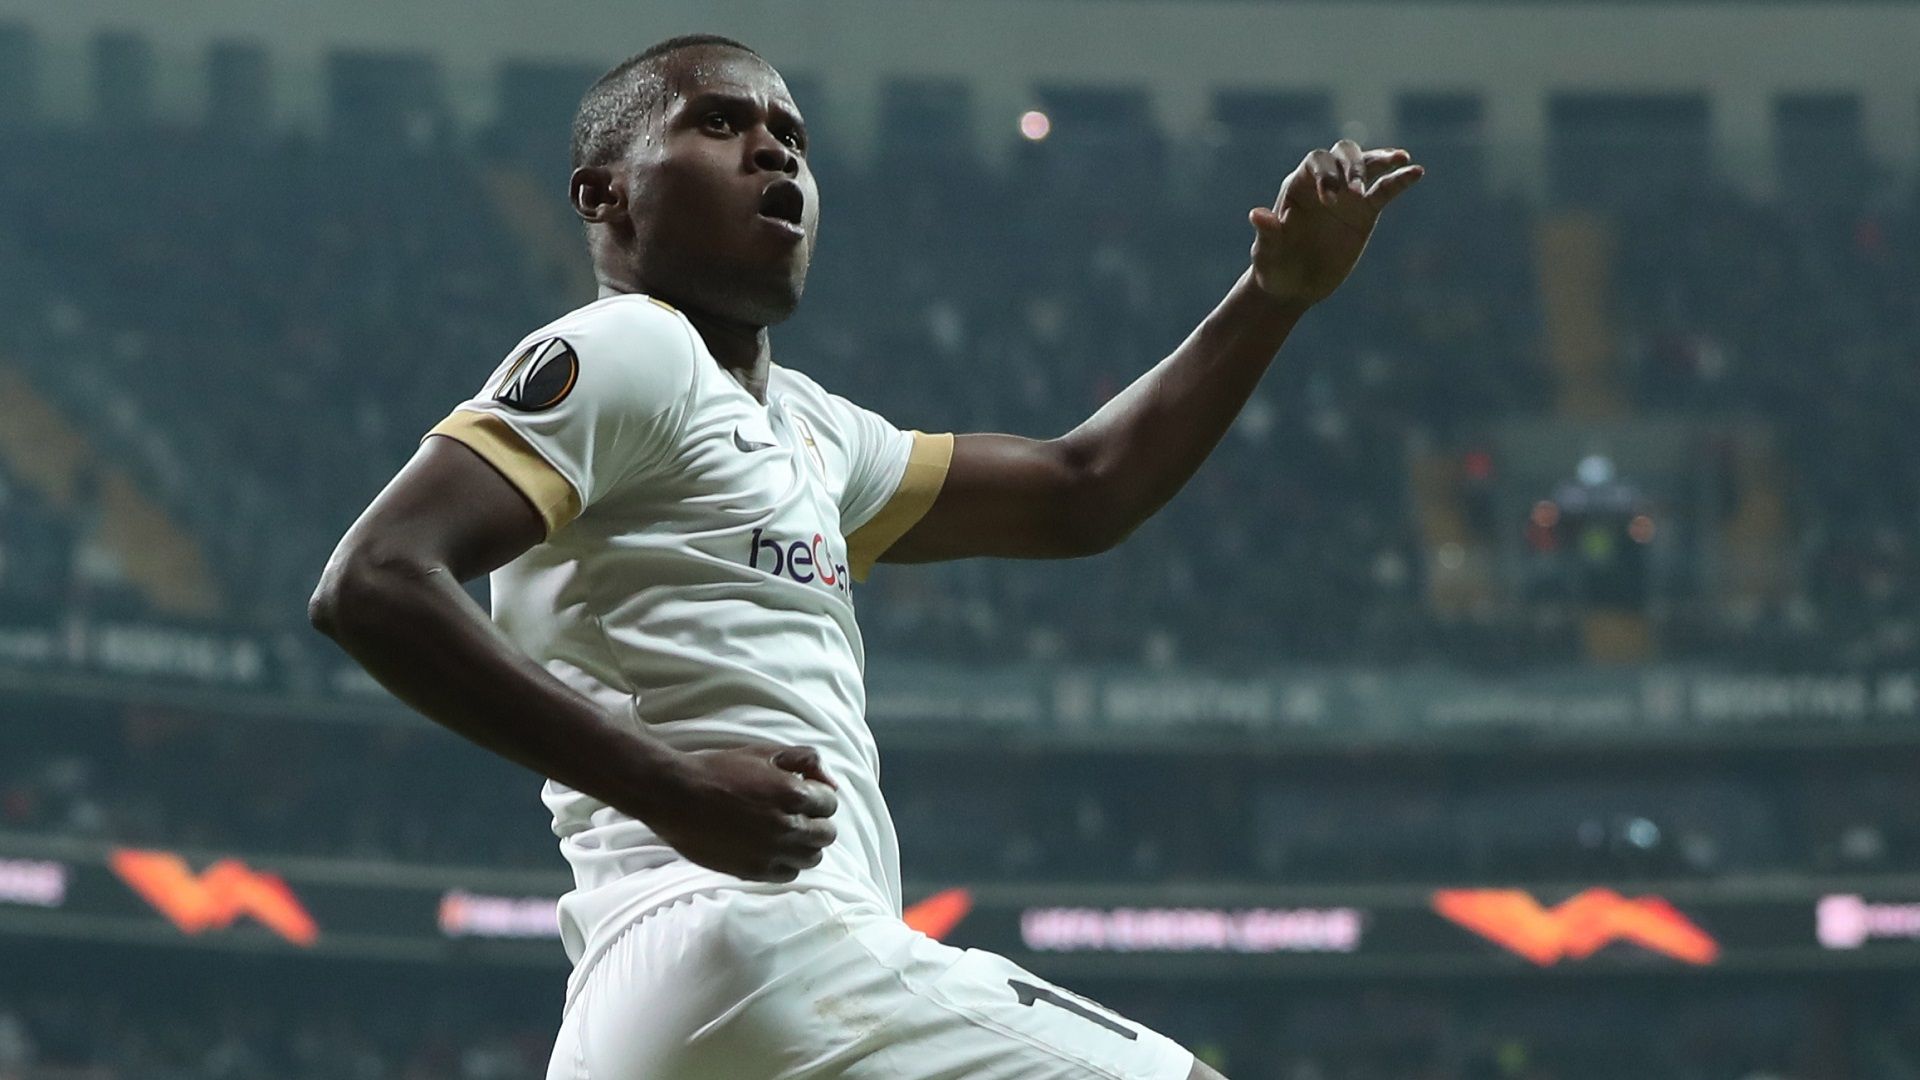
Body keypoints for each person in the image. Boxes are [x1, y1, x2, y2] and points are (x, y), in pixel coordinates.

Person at [309, 33, 1421, 1080]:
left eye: (791, 138)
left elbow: (1082, 492)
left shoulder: (809, 428)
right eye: (718, 123)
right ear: (603, 192)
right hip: (759, 948)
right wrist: (667, 784)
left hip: (659, 1014)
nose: (772, 151)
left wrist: (1272, 297)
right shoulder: (627, 347)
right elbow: (374, 580)